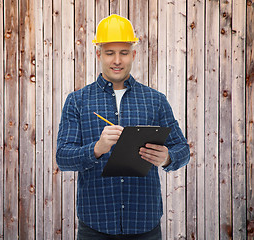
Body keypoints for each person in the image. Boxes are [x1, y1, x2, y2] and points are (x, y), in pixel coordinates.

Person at [56, 14, 190, 240]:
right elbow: (63, 157)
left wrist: (167, 158)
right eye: (110, 53)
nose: (117, 60)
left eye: (123, 53)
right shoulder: (77, 101)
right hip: (95, 225)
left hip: (144, 224)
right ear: (99, 54)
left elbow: (182, 150)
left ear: (133, 55)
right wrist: (97, 148)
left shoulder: (155, 100)